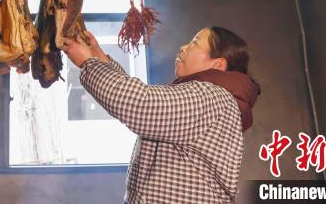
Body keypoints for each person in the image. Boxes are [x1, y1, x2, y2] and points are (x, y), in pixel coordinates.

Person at [62, 27, 261, 204]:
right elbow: (145, 99)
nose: (183, 47)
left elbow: (139, 103)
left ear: (217, 65)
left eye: (194, 43)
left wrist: (89, 63)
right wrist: (99, 57)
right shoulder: (211, 96)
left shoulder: (211, 96)